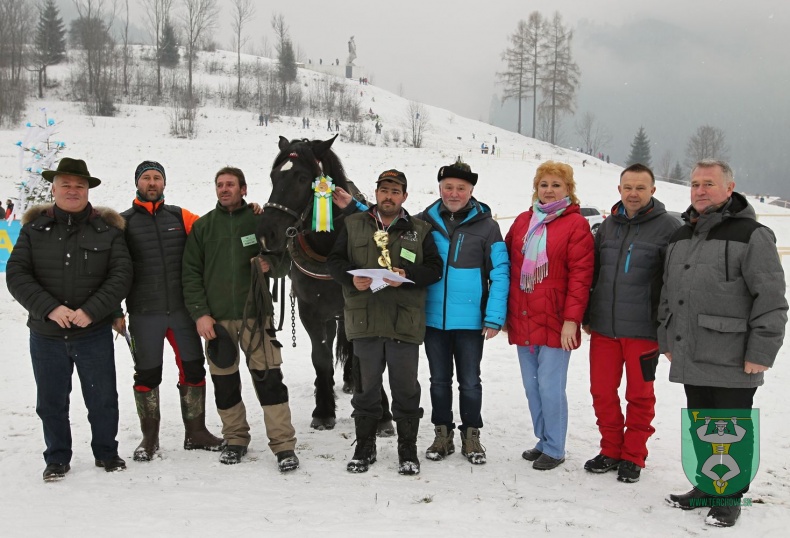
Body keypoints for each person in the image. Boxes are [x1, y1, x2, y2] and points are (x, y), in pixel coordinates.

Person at [659, 159, 787, 527]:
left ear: (729, 189)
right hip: (692, 351)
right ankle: (706, 485)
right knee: (701, 423)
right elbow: (667, 293)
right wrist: (667, 337)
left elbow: (771, 299)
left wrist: (761, 352)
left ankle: (730, 497)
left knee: (731, 428)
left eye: (709, 184)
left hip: (734, 356)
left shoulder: (753, 235)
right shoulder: (681, 235)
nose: (700, 190)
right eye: (695, 184)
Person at [6, 158, 132, 481]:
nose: (72, 190)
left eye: (79, 185)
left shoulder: (108, 230)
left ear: (88, 190)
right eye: (66, 184)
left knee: (103, 399)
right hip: (46, 334)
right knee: (51, 402)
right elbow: (17, 274)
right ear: (54, 188)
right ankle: (57, 457)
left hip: (93, 333)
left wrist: (92, 310)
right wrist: (49, 308)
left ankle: (107, 452)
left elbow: (121, 276)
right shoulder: (34, 229)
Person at [182, 166, 299, 472]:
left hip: (256, 316)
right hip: (217, 322)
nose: (224, 189)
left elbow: (284, 261)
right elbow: (190, 274)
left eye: (230, 184)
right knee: (225, 384)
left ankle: (283, 445)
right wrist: (201, 314)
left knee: (270, 381)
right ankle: (235, 439)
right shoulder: (204, 227)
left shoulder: (260, 221)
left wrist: (268, 264)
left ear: (243, 189)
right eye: (220, 184)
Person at [327, 169, 443, 475]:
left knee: (405, 389)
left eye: (395, 192)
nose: (388, 196)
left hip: (403, 322)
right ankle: (365, 447)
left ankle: (407, 449)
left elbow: (435, 269)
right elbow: (334, 262)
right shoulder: (353, 224)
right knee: (365, 389)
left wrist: (408, 275)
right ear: (376, 193)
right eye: (384, 190)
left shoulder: (420, 230)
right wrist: (351, 279)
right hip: (364, 320)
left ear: (404, 196)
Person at [114, 161, 223, 462]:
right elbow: (111, 269)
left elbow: (214, 229)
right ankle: (149, 438)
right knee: (147, 374)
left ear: (164, 183)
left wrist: (247, 211)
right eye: (146, 178)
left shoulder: (180, 216)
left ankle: (196, 432)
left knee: (193, 368)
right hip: (144, 313)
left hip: (182, 312)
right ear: (137, 183)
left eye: (157, 178)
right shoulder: (122, 223)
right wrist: (113, 310)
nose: (152, 183)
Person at [582, 163, 680, 483]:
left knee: (639, 395)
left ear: (653, 190)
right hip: (605, 329)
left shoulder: (669, 227)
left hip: (643, 331)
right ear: (619, 189)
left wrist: (667, 325)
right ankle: (611, 449)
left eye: (640, 188)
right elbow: (594, 273)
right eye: (628, 187)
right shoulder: (608, 226)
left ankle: (633, 454)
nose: (633, 193)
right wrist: (588, 315)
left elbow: (674, 282)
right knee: (602, 392)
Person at [417, 159, 509, 465]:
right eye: (448, 187)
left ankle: (471, 436)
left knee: (470, 381)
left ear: (471, 191)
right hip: (433, 320)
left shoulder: (488, 227)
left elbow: (500, 272)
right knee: (438, 381)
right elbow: (384, 222)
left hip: (470, 322)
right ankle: (442, 435)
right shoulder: (422, 222)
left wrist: (494, 316)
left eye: (461, 188)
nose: (454, 193)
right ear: (440, 188)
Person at [505, 161, 594, 471]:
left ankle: (555, 447)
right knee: (532, 386)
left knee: (549, 385)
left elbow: (581, 276)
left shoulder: (576, 225)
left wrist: (572, 320)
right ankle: (543, 440)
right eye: (544, 184)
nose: (549, 190)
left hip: (557, 320)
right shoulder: (522, 221)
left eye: (556, 185)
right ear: (536, 188)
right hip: (524, 315)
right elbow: (507, 266)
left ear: (568, 189)